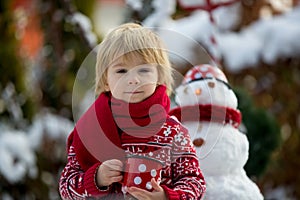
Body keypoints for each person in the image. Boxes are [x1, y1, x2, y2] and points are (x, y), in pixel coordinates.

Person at [59, 23, 206, 200]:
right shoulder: (91, 128)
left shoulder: (173, 132)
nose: (133, 80)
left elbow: (194, 182)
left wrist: (167, 197)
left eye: (144, 70)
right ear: (106, 80)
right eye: (121, 71)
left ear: (159, 76)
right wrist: (97, 177)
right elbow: (66, 187)